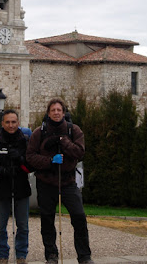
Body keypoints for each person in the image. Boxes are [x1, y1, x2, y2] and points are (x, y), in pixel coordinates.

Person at [26, 98, 92, 264]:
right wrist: (50, 161)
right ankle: (51, 255)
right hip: (46, 182)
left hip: (68, 181)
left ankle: (84, 256)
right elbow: (30, 157)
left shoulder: (74, 130)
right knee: (47, 219)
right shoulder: (38, 133)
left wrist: (64, 141)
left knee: (79, 216)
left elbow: (79, 152)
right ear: (48, 112)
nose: (56, 112)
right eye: (53, 110)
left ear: (63, 112)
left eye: (59, 110)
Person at [0, 109, 32, 264]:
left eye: (14, 122)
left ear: (18, 123)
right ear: (2, 123)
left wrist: (20, 160)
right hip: (1, 189)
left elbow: (31, 165)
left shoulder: (25, 141)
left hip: (21, 188)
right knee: (0, 226)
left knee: (23, 226)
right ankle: (2, 255)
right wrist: (0, 171)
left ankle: (21, 255)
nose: (11, 125)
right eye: (8, 122)